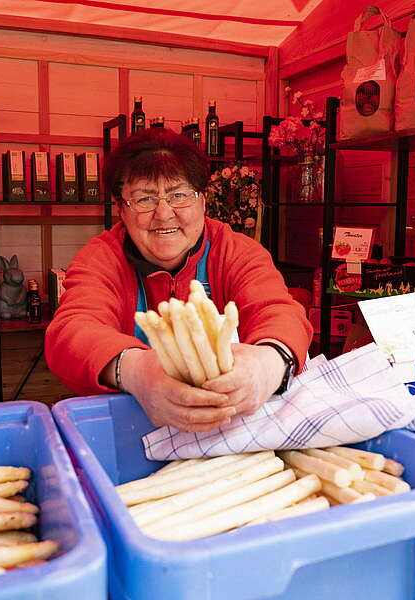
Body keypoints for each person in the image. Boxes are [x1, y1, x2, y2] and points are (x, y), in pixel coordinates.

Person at [45, 127, 312, 432]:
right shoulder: (102, 259)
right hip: (127, 428)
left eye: (179, 195)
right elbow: (72, 330)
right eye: (144, 199)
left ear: (203, 200)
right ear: (121, 208)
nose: (163, 213)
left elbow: (278, 311)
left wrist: (267, 365)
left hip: (231, 428)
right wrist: (136, 371)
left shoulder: (235, 251)